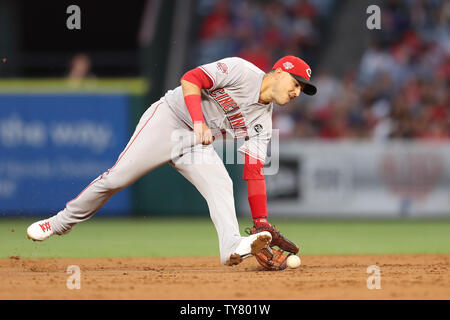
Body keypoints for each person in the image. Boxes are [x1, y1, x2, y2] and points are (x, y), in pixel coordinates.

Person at [27, 55, 317, 268]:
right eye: (296, 83)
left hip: (194, 143)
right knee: (117, 179)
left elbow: (254, 172)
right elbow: (191, 78)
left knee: (221, 183)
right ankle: (59, 223)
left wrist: (261, 222)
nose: (296, 92)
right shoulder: (242, 71)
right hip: (170, 120)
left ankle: (231, 246)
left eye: (302, 90)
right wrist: (199, 121)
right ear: (278, 72)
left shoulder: (262, 123)